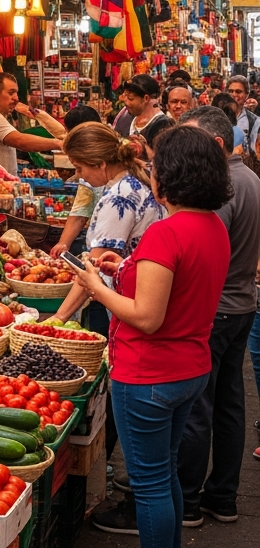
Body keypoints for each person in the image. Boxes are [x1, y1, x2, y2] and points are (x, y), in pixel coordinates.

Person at [77, 125, 230, 546]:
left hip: (148, 374)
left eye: (155, 166)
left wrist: (98, 289)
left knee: (150, 483)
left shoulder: (167, 232)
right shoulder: (213, 226)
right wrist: (124, 268)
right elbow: (180, 287)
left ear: (171, 174)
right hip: (190, 368)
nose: (150, 172)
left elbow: (146, 317)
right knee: (164, 475)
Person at [174, 106, 260, 527]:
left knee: (198, 408)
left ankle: (188, 500)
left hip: (217, 311)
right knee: (229, 404)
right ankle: (223, 495)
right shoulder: (252, 180)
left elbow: (205, 254)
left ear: (216, 144)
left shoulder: (222, 187)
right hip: (242, 305)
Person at [51, 122, 166, 326]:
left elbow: (93, 269)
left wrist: (58, 318)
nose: (79, 175)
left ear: (100, 164)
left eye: (80, 168)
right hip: (141, 295)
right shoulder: (133, 182)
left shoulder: (118, 197)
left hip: (130, 303)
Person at [0, 72, 61, 176]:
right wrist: (59, 144)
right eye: (11, 93)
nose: (16, 98)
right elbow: (19, 141)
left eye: (16, 93)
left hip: (1, 184)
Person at [49, 106, 103, 260]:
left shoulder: (121, 188)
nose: (79, 175)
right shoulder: (89, 162)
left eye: (79, 169)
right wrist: (63, 245)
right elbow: (81, 209)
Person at [120, 75, 166, 142]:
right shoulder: (127, 117)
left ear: (146, 98)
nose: (125, 101)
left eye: (130, 98)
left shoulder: (163, 125)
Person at [225, 76, 260, 158]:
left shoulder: (254, 121)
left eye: (238, 91)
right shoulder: (218, 116)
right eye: (230, 91)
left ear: (246, 94)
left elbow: (255, 151)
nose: (234, 95)